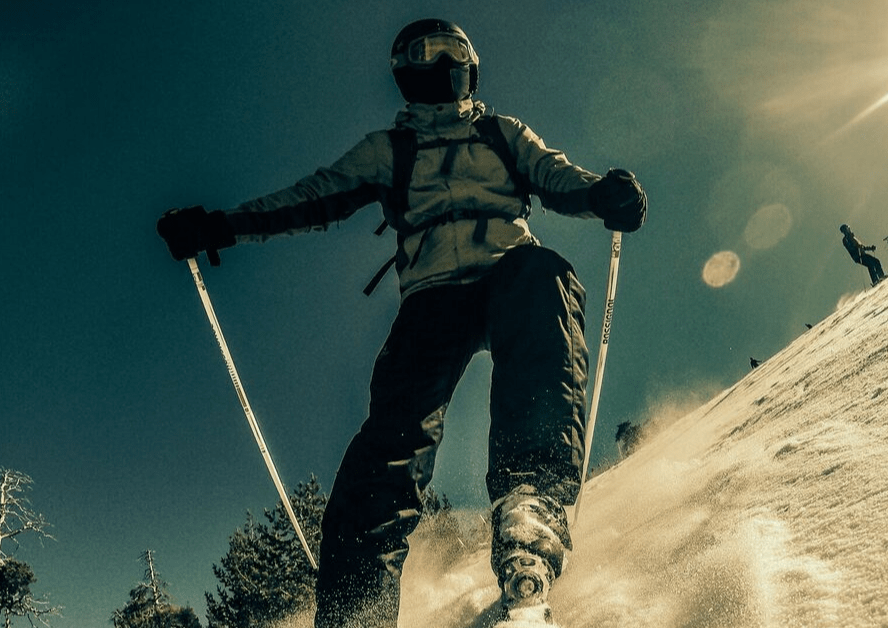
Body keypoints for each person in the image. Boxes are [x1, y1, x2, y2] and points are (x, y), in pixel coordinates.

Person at [155, 18, 646, 628]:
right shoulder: (389, 149)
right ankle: (356, 602)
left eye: (449, 55)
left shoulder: (501, 133)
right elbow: (317, 195)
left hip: (508, 272)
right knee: (394, 433)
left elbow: (554, 175)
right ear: (405, 75)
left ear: (468, 69)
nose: (437, 66)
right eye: (422, 56)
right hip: (432, 296)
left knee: (543, 277)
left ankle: (530, 502)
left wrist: (603, 194)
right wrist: (223, 224)